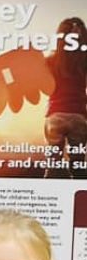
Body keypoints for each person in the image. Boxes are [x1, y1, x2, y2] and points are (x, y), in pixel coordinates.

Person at [43, 17, 87, 178]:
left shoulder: (50, 61)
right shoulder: (84, 61)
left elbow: (44, 85)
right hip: (79, 117)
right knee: (78, 165)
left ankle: (48, 190)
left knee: (52, 163)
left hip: (55, 116)